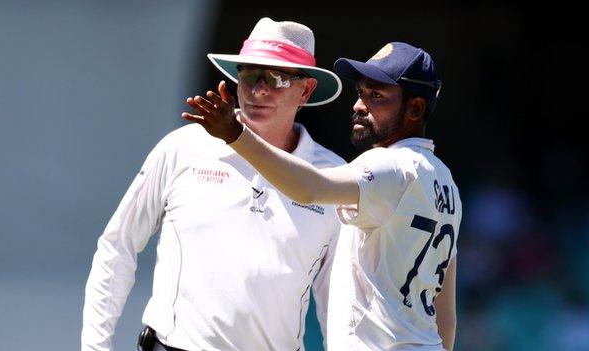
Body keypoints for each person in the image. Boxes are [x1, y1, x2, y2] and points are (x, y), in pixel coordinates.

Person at [81, 17, 347, 351]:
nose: (259, 89)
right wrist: (95, 346)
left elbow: (337, 301)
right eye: (250, 75)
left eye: (277, 77)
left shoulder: (333, 177)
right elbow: (117, 247)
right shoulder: (183, 148)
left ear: (305, 91)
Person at [183, 41, 462, 351]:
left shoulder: (389, 165)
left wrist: (236, 135)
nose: (359, 105)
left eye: (376, 96)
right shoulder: (445, 181)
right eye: (360, 93)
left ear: (415, 109)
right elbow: (445, 314)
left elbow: (309, 188)